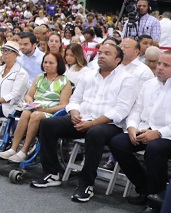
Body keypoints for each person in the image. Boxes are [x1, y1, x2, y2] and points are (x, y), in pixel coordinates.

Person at [30, 42, 137, 204]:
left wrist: (93, 123)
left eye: (107, 53)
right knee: (48, 124)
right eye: (100, 52)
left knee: (95, 134)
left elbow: (120, 111)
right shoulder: (89, 75)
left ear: (118, 59)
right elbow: (75, 99)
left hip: (108, 125)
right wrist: (74, 112)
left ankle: (86, 184)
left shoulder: (127, 79)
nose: (101, 55)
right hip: (81, 118)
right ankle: (52, 173)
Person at [109, 50, 171, 212]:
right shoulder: (149, 84)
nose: (159, 67)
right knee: (117, 142)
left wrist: (159, 133)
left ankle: (156, 200)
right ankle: (145, 188)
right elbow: (136, 110)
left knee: (154, 149)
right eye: (159, 63)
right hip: (145, 129)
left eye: (165, 65)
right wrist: (131, 127)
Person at [0, 52, 72, 163]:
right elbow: (29, 95)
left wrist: (44, 110)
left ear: (58, 65)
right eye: (45, 62)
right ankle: (13, 148)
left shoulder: (65, 82)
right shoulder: (40, 77)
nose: (47, 65)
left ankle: (24, 150)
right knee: (26, 112)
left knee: (36, 115)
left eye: (51, 63)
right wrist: (30, 102)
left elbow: (63, 105)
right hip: (35, 108)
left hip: (51, 112)